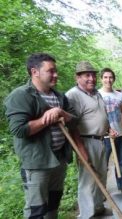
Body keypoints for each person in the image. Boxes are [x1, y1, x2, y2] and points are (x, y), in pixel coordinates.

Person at [4, 53, 76, 218]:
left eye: (55, 70)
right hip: (37, 164)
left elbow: (74, 121)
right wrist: (46, 119)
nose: (55, 74)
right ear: (35, 72)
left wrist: (62, 113)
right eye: (51, 71)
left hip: (59, 160)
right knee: (36, 210)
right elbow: (19, 130)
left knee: (53, 204)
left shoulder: (59, 96)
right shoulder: (21, 95)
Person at [65, 61, 112, 218]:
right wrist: (81, 149)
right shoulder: (73, 95)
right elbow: (71, 125)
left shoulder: (96, 93)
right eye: (87, 75)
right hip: (85, 142)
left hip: (100, 140)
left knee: (101, 176)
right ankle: (86, 215)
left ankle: (98, 208)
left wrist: (108, 128)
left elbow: (99, 115)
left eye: (93, 75)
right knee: (87, 181)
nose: (91, 78)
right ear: (77, 77)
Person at [98, 67, 122, 192]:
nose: (108, 80)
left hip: (119, 135)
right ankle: (102, 190)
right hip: (104, 137)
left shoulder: (119, 95)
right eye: (105, 77)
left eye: (110, 77)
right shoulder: (97, 95)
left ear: (114, 79)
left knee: (121, 163)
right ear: (101, 79)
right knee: (103, 165)